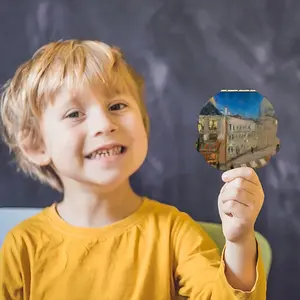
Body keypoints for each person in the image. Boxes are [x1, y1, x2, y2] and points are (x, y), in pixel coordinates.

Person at [0, 40, 266, 300]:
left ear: (143, 122)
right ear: (35, 145)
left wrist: (240, 240)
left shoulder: (174, 232)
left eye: (117, 106)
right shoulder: (22, 246)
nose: (104, 124)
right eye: (74, 114)